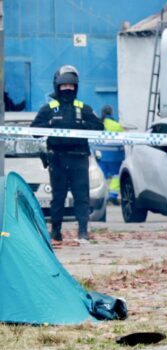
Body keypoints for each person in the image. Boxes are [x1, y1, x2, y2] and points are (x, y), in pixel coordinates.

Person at [31, 65, 104, 243]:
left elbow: (99, 128)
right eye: (64, 86)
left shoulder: (83, 108)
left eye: (71, 86)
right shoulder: (49, 109)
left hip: (79, 157)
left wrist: (82, 126)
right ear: (58, 87)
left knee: (82, 196)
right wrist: (49, 125)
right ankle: (56, 231)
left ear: (76, 87)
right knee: (58, 197)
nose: (68, 89)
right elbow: (34, 131)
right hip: (57, 158)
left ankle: (83, 232)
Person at [100, 105, 125, 205]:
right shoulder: (117, 126)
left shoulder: (99, 124)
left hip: (101, 156)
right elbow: (124, 140)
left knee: (102, 176)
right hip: (115, 157)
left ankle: (101, 196)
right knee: (116, 175)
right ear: (111, 113)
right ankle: (112, 195)